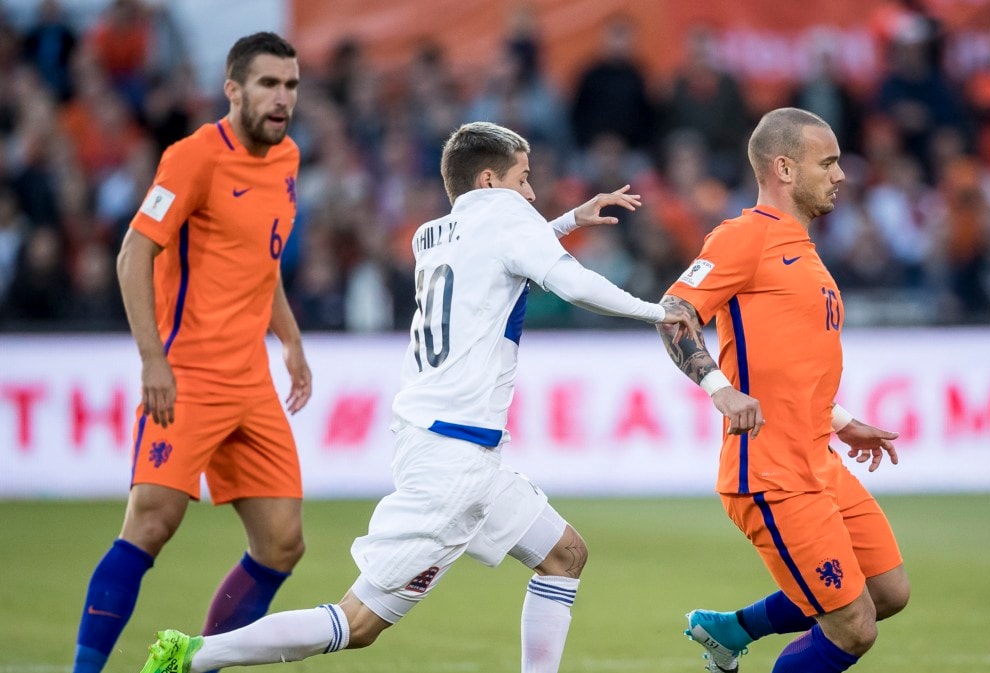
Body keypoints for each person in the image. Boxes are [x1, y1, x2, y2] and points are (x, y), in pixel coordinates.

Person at [137, 121, 699, 673]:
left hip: (444, 445)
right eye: (522, 179)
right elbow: (569, 281)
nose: (530, 193)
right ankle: (195, 655)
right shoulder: (505, 222)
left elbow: (501, 249)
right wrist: (656, 311)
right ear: (488, 181)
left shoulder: (430, 236)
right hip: (454, 465)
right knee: (356, 623)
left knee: (565, 555)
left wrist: (570, 220)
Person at [72, 32, 311, 673]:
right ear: (233, 89)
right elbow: (133, 254)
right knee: (151, 523)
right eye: (268, 84)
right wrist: (153, 359)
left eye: (291, 85)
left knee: (282, 542)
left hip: (251, 381)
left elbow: (262, 261)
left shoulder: (288, 158)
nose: (283, 97)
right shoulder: (194, 157)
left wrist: (290, 340)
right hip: (188, 376)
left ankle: (191, 665)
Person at [655, 108, 910, 673]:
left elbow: (790, 361)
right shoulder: (744, 236)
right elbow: (673, 313)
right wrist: (719, 388)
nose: (841, 175)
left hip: (818, 458)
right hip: (772, 472)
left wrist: (842, 421)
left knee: (888, 591)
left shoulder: (803, 249)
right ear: (785, 169)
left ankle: (730, 630)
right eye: (829, 163)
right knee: (854, 627)